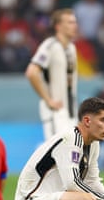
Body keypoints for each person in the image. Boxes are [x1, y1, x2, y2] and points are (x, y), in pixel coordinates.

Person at [25, 8, 79, 140]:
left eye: (75, 22)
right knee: (57, 155)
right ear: (58, 26)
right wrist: (49, 100)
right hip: (56, 113)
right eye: (70, 22)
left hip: (71, 112)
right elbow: (32, 72)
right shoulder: (50, 45)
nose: (75, 26)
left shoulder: (72, 48)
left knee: (70, 157)